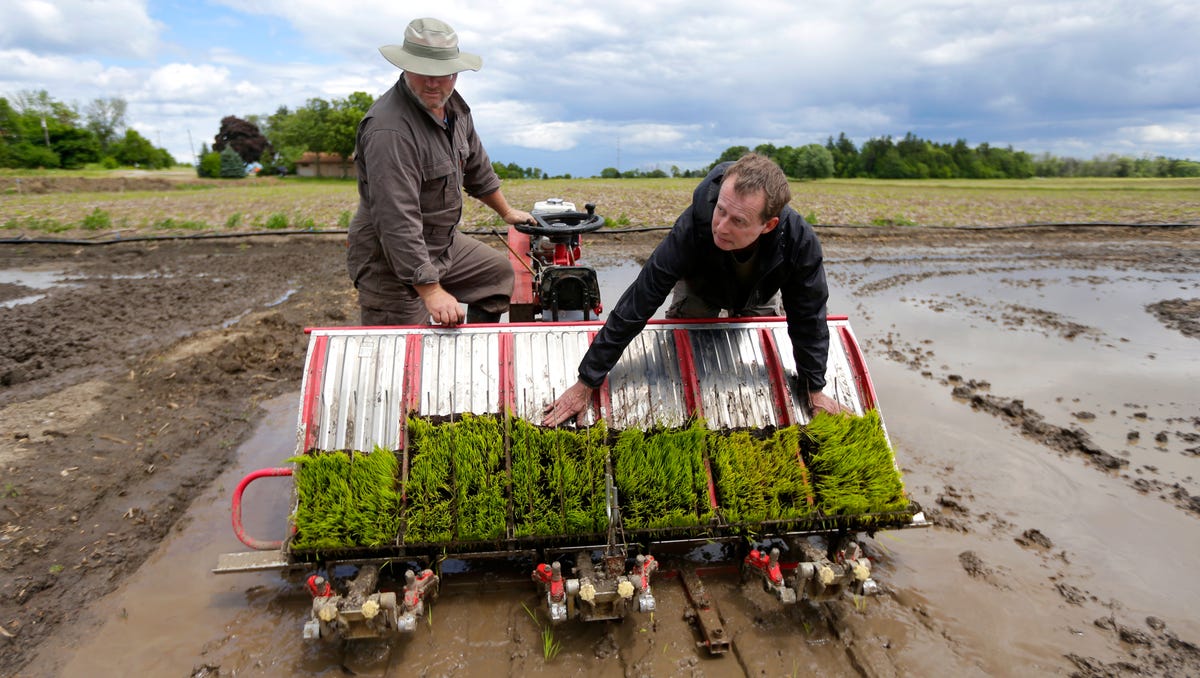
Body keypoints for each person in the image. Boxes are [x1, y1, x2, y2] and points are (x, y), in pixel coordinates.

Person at [542, 153, 843, 426]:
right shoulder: (694, 226)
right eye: (721, 210)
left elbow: (809, 317)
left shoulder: (797, 242)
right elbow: (642, 297)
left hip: (759, 291)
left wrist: (814, 387)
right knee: (680, 348)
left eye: (738, 220)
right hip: (702, 286)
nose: (722, 227)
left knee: (755, 343)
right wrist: (587, 380)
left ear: (768, 225)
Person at [347, 17, 533, 327]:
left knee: (497, 275)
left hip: (442, 243)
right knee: (406, 351)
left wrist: (507, 211)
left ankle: (470, 356)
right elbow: (396, 219)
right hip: (389, 258)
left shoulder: (455, 108)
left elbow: (477, 169)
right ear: (405, 68)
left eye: (443, 74)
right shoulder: (390, 129)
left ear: (456, 71)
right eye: (423, 73)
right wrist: (431, 290)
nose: (433, 83)